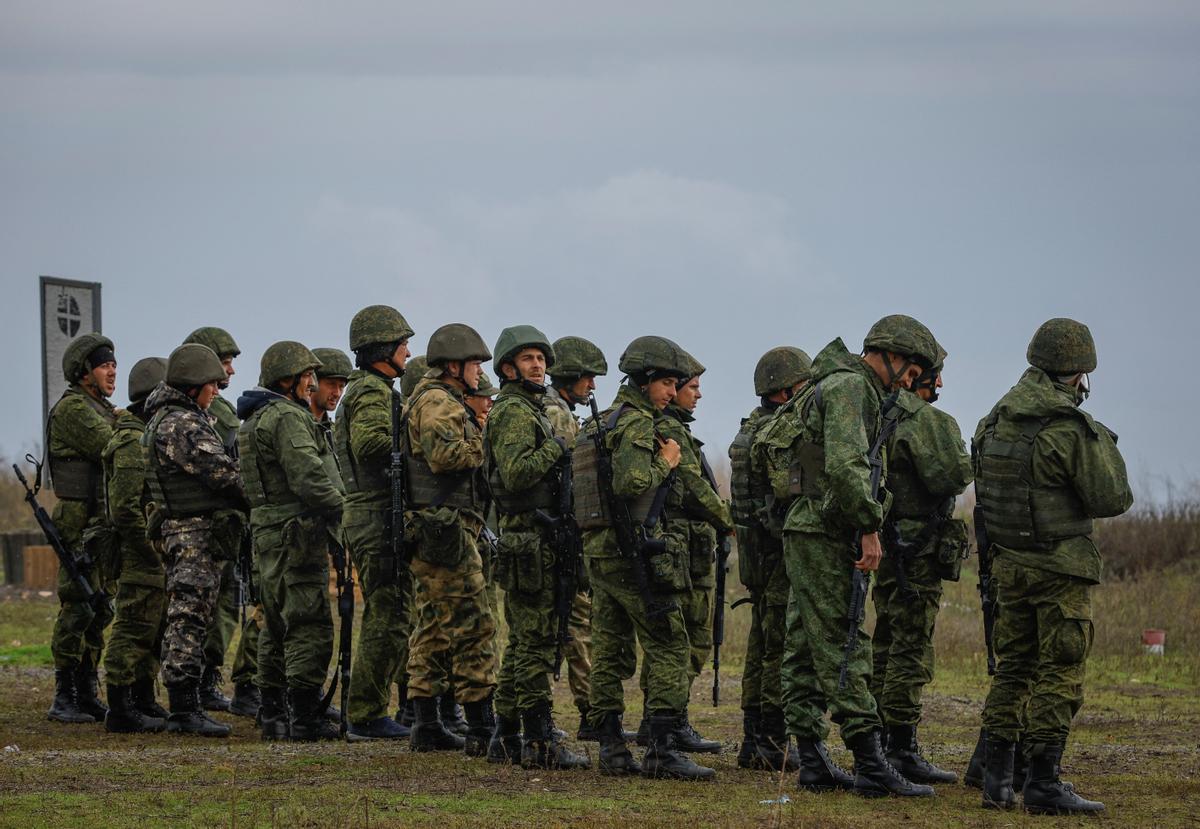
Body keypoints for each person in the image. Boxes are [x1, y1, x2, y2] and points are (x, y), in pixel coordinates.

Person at [762, 315, 939, 796]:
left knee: (801, 647)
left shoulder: (835, 383)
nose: (912, 381)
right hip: (826, 528)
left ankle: (814, 761)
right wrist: (869, 526)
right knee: (845, 641)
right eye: (912, 370)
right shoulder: (851, 389)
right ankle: (870, 764)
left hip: (809, 527)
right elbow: (845, 464)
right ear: (893, 356)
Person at [975, 318, 1132, 815]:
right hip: (1060, 569)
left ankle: (997, 781)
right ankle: (1043, 782)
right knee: (1060, 671)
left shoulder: (995, 419)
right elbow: (1112, 498)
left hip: (1009, 566)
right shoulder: (1069, 428)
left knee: (1013, 670)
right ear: (1078, 373)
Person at [575, 335, 714, 780]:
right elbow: (632, 484)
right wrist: (668, 462)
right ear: (645, 379)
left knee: (610, 650)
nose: (673, 393)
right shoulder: (636, 423)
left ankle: (613, 748)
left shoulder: (598, 424)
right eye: (667, 383)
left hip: (598, 551)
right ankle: (661, 747)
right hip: (630, 551)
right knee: (671, 643)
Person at [485, 326, 589, 769]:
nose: (539, 365)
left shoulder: (531, 409)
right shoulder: (512, 412)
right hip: (528, 539)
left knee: (528, 641)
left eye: (542, 358)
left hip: (541, 537)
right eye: (528, 358)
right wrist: (558, 447)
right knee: (535, 644)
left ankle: (505, 735)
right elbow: (516, 474)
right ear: (509, 368)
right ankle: (539, 738)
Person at [870, 346, 972, 783]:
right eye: (935, 375)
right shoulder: (927, 421)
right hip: (918, 547)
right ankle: (901, 746)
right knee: (910, 646)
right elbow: (951, 476)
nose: (941, 385)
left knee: (885, 640)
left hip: (886, 543)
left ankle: (874, 740)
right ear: (915, 375)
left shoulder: (877, 413)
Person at [238, 342, 346, 741]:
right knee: (308, 624)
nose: (312, 384)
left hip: (267, 535)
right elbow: (309, 478)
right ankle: (304, 717)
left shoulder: (253, 420)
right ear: (287, 379)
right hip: (295, 536)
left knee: (275, 625)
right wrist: (344, 511)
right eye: (307, 377)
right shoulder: (286, 417)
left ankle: (273, 713)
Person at [143, 343, 249, 737]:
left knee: (190, 613)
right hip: (192, 535)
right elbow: (224, 474)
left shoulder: (171, 417)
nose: (216, 392)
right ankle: (185, 708)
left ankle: (186, 704)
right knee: (189, 615)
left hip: (189, 533)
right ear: (191, 387)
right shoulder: (181, 424)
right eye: (210, 385)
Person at [404, 323, 499, 755]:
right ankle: (482, 728)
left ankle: (426, 725)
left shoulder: (430, 398)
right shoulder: (440, 401)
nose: (480, 372)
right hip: (446, 531)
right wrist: (484, 443)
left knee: (432, 628)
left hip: (434, 528)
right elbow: (445, 457)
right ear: (454, 366)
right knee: (473, 625)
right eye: (476, 364)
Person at [636, 356, 732, 755]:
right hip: (681, 548)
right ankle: (667, 723)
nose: (694, 394)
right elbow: (694, 488)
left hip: (689, 547)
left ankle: (667, 720)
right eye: (690, 386)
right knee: (685, 639)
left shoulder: (676, 429)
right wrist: (728, 520)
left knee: (687, 639)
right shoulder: (669, 428)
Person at [334, 305, 416, 741]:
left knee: (396, 610)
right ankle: (365, 713)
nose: (407, 350)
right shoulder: (370, 392)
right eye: (401, 343)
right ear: (382, 348)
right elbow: (370, 444)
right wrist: (415, 435)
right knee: (388, 613)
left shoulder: (375, 388)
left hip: (375, 511)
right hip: (375, 512)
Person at [728, 346, 810, 770]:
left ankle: (752, 738)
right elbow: (784, 491)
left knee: (761, 645)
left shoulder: (749, 431)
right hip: (776, 552)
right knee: (777, 646)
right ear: (783, 392)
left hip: (758, 552)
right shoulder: (775, 434)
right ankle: (772, 741)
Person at [45, 332, 119, 724]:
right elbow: (110, 445)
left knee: (99, 607)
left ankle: (87, 690)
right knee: (77, 605)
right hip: (78, 524)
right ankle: (64, 694)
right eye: (104, 364)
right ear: (84, 372)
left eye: (113, 364)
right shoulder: (75, 410)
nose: (112, 371)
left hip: (99, 523)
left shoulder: (101, 408)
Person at [101, 356, 170, 733]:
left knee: (152, 626)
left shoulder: (146, 434)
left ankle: (143, 697)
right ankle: (121, 706)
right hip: (137, 553)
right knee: (131, 626)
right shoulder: (129, 440)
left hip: (150, 551)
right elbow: (126, 509)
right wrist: (149, 549)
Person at [544, 336, 608, 740]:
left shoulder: (555, 408)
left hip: (560, 532)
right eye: (587, 377)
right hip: (561, 535)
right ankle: (592, 713)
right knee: (574, 623)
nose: (593, 387)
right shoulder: (557, 413)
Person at [182, 326, 247, 713]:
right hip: (205, 525)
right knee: (199, 608)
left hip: (225, 524)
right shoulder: (201, 414)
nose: (231, 372)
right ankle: (196, 685)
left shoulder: (217, 409)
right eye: (225, 363)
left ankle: (207, 679)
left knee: (224, 605)